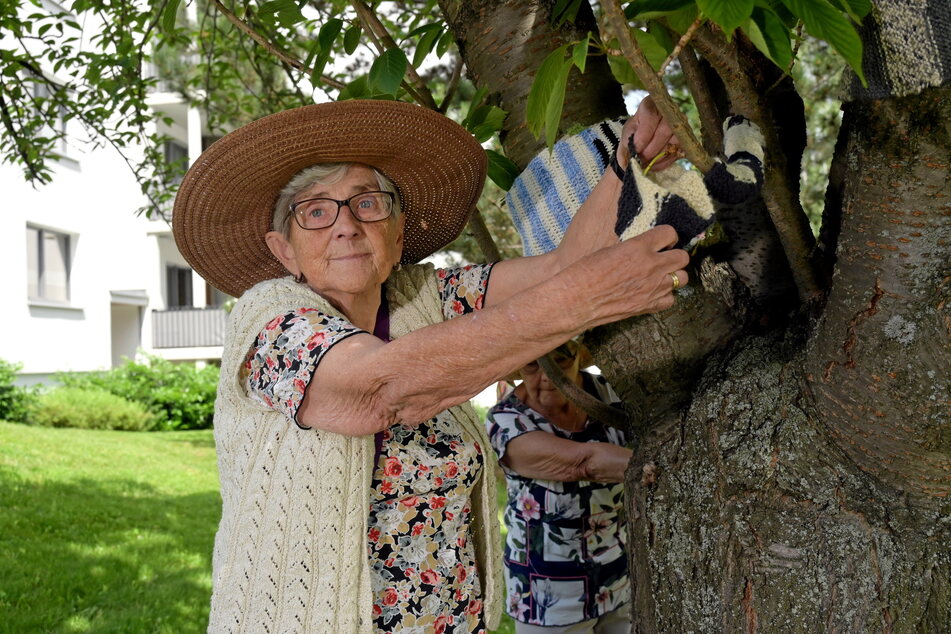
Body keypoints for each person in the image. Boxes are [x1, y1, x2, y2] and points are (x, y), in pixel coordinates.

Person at [171, 98, 688, 633]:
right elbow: (378, 389)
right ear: (285, 251)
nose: (345, 226)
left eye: (367, 203)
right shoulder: (268, 316)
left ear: (397, 235)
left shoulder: (425, 296)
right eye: (316, 212)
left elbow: (564, 269)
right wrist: (586, 301)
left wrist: (629, 164)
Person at [486, 341, 632, 633]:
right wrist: (669, 466)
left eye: (560, 362)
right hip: (546, 592)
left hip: (618, 575)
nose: (547, 377)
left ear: (578, 355)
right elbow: (583, 463)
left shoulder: (614, 393)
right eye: (532, 365)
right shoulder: (507, 420)